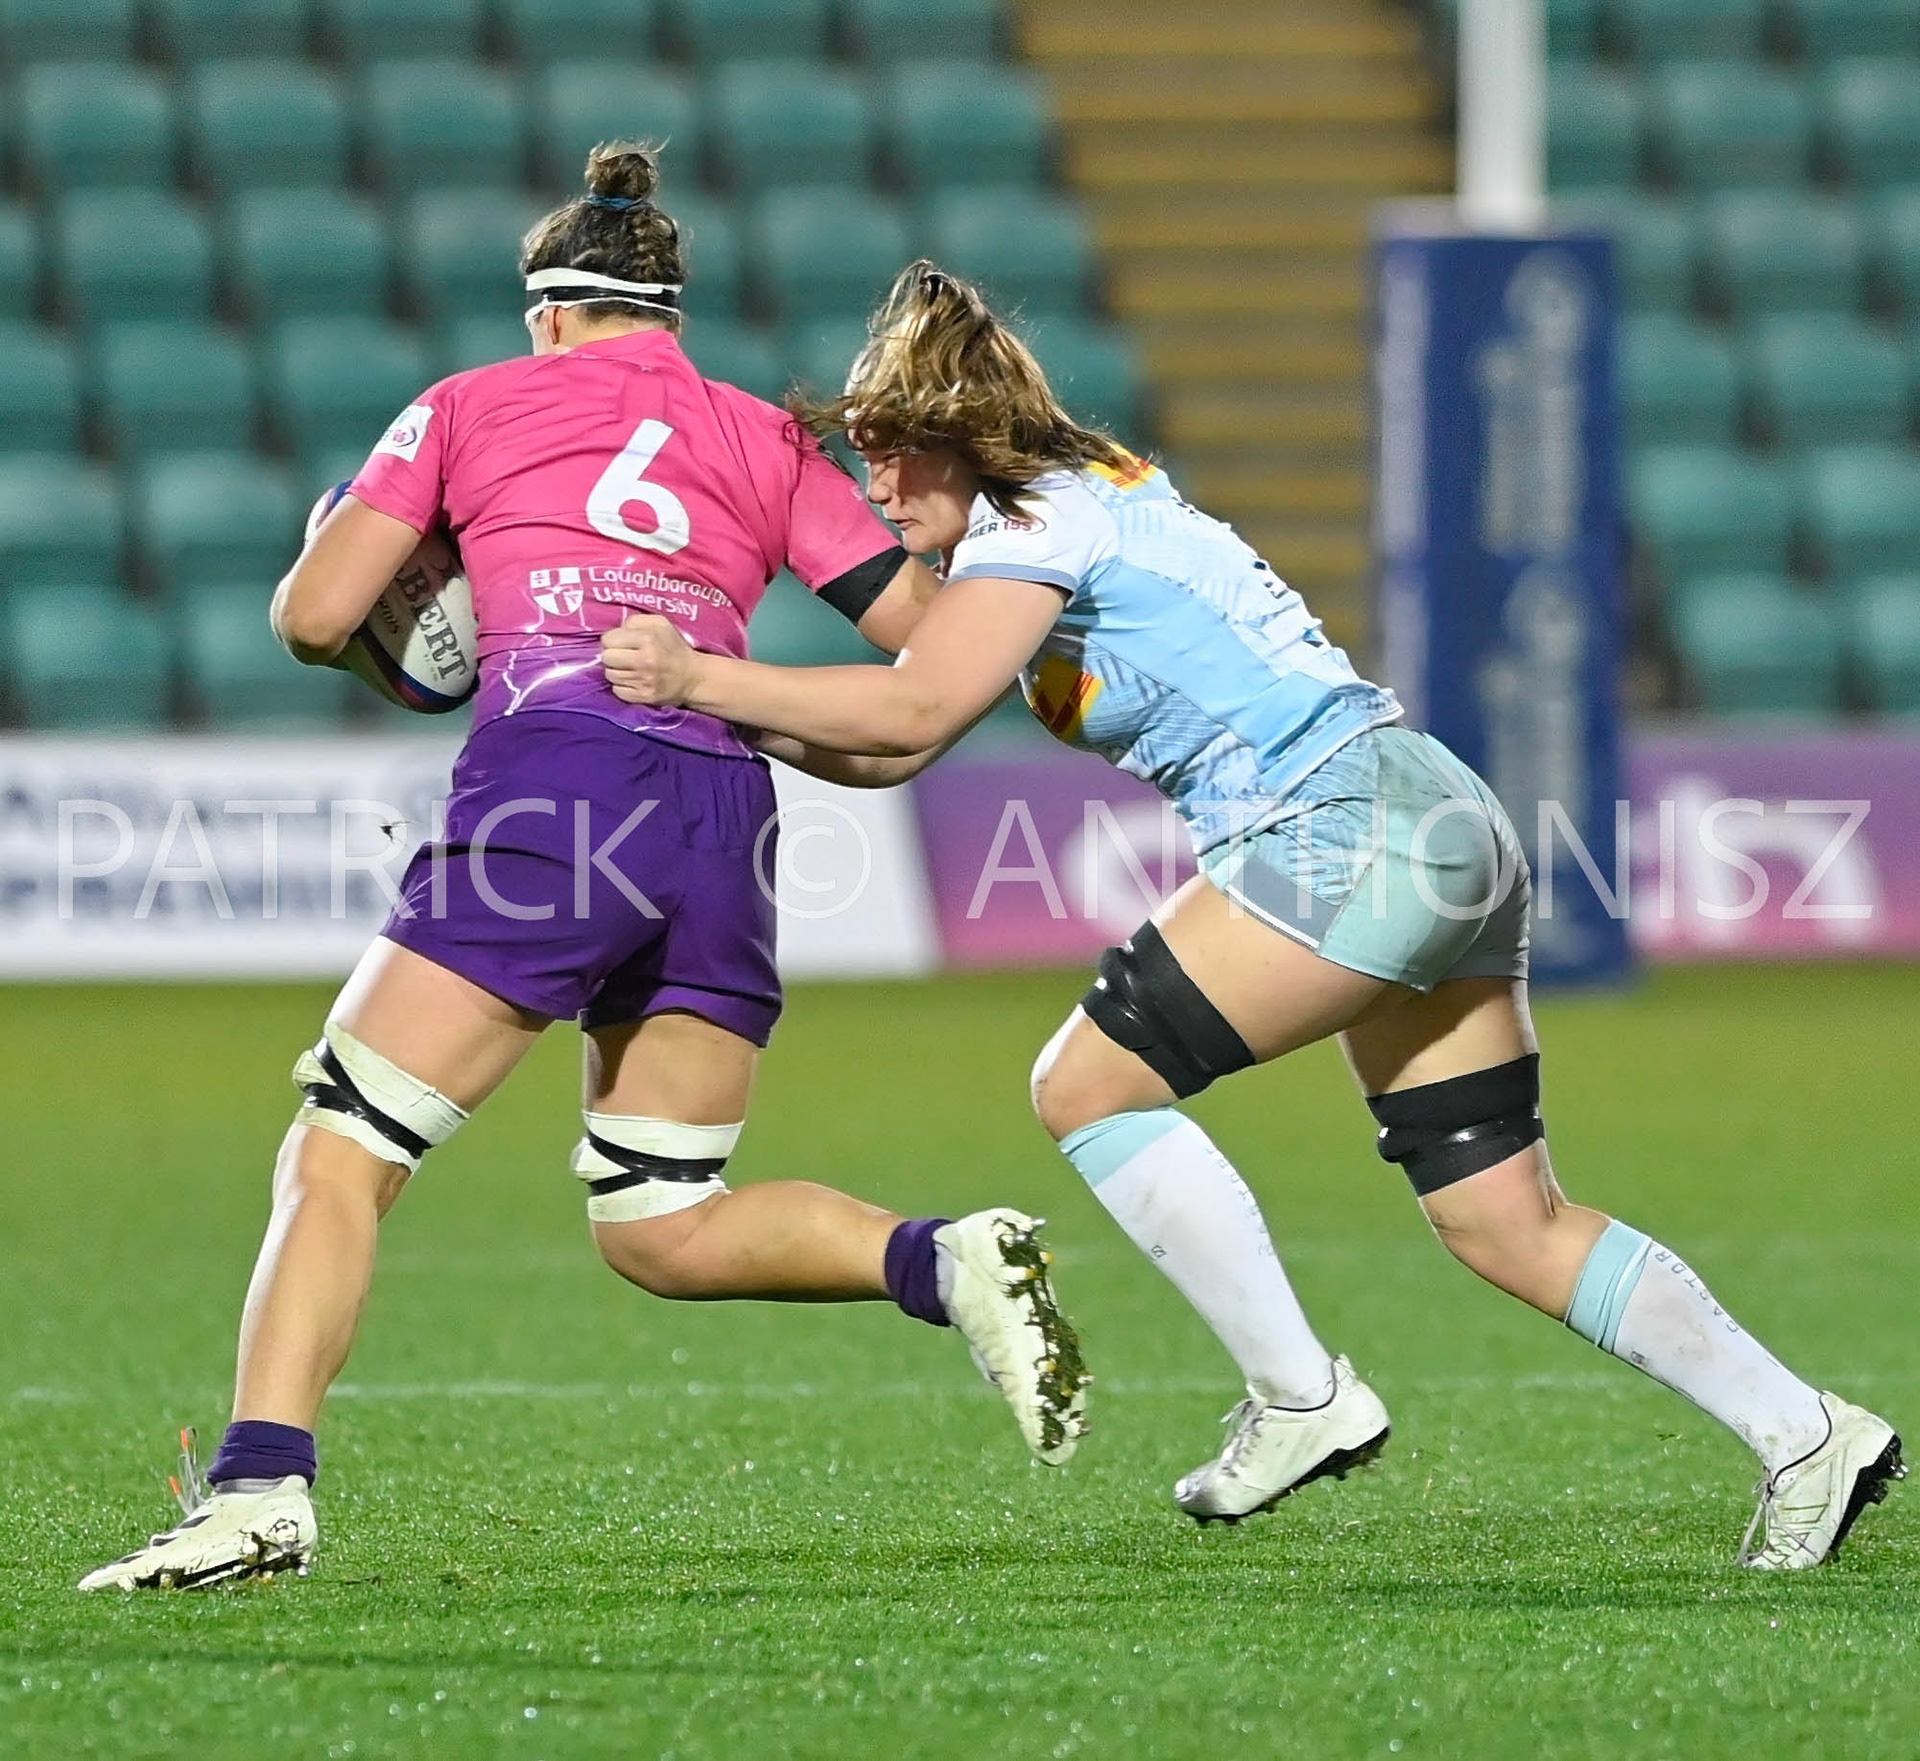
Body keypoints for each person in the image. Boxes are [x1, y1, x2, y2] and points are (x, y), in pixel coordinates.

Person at [598, 260, 1902, 1570]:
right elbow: (890, 751)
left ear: (959, 440)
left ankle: (1301, 1394)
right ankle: (1808, 1434)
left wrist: (697, 667)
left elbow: (912, 713)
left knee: (1086, 1084)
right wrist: (721, 707)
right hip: (1430, 812)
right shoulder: (1080, 497)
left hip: (1348, 828)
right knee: (1507, 1221)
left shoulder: (1031, 520)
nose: (876, 490)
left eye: (889, 455)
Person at [79, 164, 1088, 1595]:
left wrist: (386, 582)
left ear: (549, 315)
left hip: (559, 783)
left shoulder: (470, 401)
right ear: (668, 316)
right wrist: (747, 691)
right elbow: (935, 646)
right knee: (661, 1217)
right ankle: (942, 1258)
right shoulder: (761, 437)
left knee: (341, 1144)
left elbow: (312, 617)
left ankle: (257, 1494)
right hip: (726, 807)